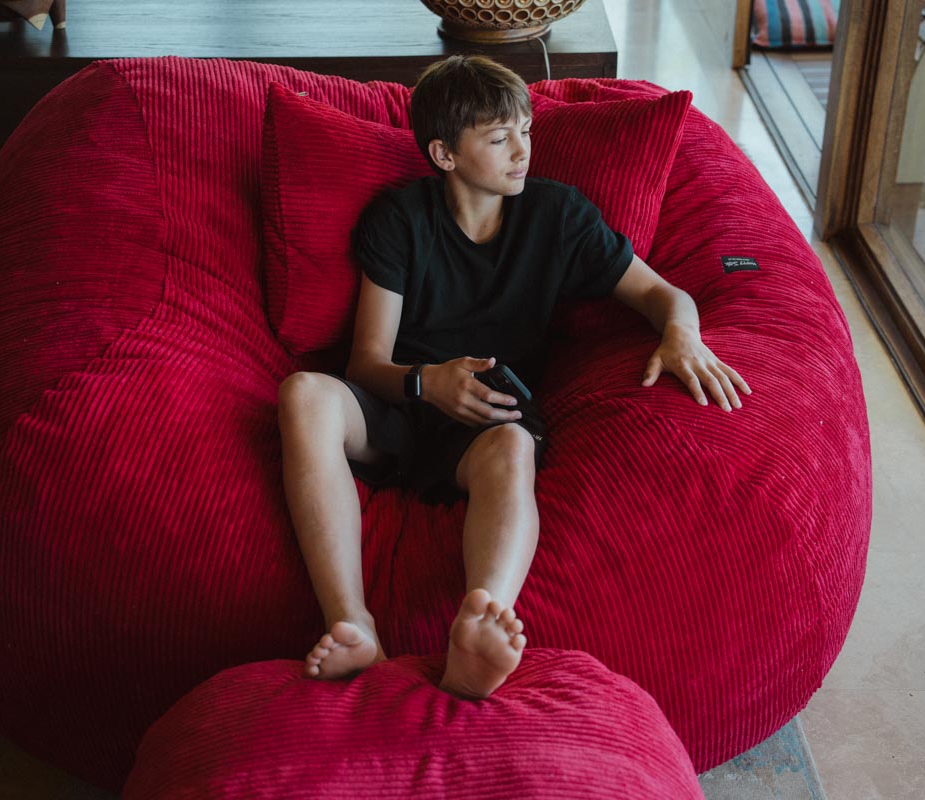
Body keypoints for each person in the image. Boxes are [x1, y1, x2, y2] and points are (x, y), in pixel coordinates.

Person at [277, 55, 750, 700]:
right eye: (500, 138)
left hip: (489, 415)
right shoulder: (401, 219)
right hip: (402, 399)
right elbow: (366, 363)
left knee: (513, 446)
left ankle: (479, 623)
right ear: (444, 154)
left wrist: (682, 337)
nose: (523, 151)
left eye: (526, 131)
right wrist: (426, 382)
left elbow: (666, 296)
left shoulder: (557, 216)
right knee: (304, 393)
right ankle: (353, 623)